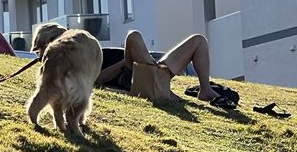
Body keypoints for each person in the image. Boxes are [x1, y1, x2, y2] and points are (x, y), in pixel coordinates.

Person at [96, 30, 228, 105]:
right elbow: (98, 80)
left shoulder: (102, 50)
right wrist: (125, 61)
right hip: (134, 77)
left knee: (199, 40)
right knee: (133, 35)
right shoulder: (94, 61)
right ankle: (158, 79)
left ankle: (205, 89)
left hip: (154, 70)